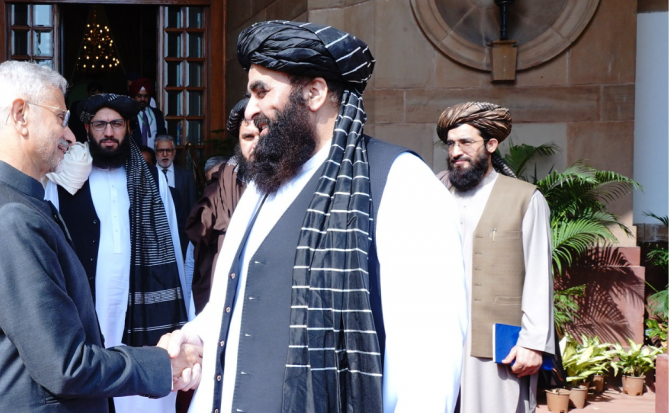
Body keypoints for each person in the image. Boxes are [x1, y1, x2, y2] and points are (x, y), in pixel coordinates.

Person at [163, 21, 468, 413]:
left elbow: (430, 364)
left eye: (262, 91)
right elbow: (231, 306)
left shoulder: (400, 181)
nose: (251, 110)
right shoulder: (261, 184)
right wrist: (193, 342)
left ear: (314, 92)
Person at [0, 60, 198, 412]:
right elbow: (65, 366)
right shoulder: (11, 218)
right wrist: (162, 364)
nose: (69, 135)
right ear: (21, 115)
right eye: (59, 118)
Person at [50, 93, 190, 413]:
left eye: (116, 124)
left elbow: (171, 246)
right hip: (87, 299)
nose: (108, 132)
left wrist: (183, 312)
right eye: (100, 124)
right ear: (87, 130)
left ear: (128, 128)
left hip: (141, 298)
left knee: (138, 392)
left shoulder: (151, 178)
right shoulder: (65, 178)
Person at [435, 102, 555, 413]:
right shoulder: (433, 190)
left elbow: (539, 275)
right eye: (450, 144)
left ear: (491, 145)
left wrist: (533, 344)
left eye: (466, 142)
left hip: (496, 343)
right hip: (439, 341)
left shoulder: (525, 198)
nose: (455, 151)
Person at [184, 98, 253, 312]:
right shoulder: (221, 186)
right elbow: (197, 244)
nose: (256, 143)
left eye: (263, 132)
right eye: (248, 136)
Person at [155, 135, 196, 257]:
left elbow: (191, 207)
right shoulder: (147, 176)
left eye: (168, 150)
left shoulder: (186, 176)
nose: (165, 154)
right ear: (155, 153)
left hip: (180, 236)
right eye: (161, 151)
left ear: (174, 152)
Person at [129, 78, 167, 149]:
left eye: (146, 96)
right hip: (135, 157)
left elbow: (163, 136)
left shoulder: (157, 114)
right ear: (134, 97)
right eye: (139, 96)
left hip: (154, 156)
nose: (142, 99)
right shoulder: (129, 114)